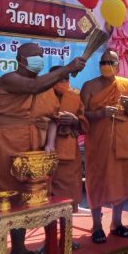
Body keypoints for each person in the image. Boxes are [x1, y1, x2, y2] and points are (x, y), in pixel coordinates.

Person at [0, 43, 85, 254]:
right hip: (1, 145)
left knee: (23, 197)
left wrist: (50, 144)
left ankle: (19, 250)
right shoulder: (9, 79)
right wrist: (67, 68)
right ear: (19, 59)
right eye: (33, 55)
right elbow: (33, 87)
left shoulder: (46, 88)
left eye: (41, 54)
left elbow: (52, 117)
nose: (39, 58)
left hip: (32, 148)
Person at [81, 50, 128, 243]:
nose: (106, 65)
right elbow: (81, 114)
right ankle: (96, 225)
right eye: (103, 62)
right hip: (98, 142)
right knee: (97, 179)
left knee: (122, 179)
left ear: (118, 65)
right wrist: (100, 113)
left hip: (122, 141)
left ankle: (117, 222)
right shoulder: (89, 86)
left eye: (111, 62)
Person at [46, 66, 89, 214]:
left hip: (68, 150)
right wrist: (52, 119)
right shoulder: (41, 96)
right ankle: (49, 227)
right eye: (59, 79)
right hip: (43, 147)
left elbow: (84, 125)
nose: (63, 83)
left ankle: (66, 226)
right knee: (45, 192)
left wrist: (75, 120)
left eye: (66, 79)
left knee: (68, 192)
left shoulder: (74, 96)